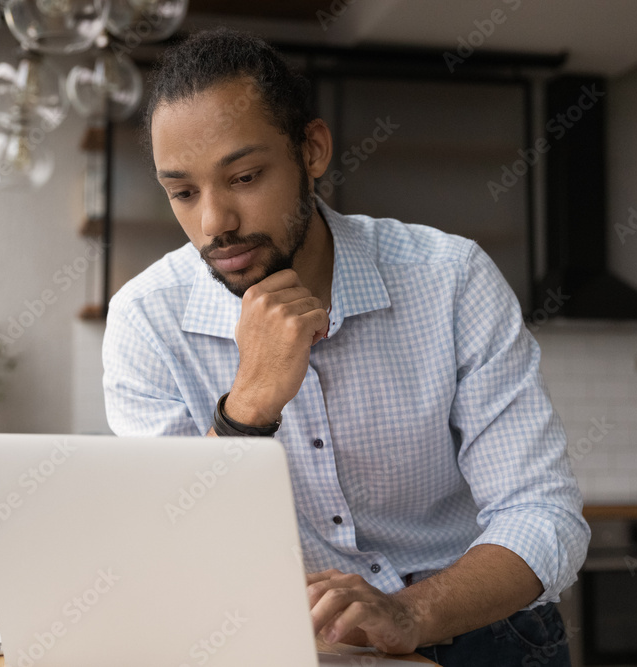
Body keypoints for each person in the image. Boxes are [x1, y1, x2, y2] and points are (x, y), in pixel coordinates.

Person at [102, 27, 589, 666]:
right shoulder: (145, 320)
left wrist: (412, 613)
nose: (214, 222)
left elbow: (543, 512)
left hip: (483, 631)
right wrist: (246, 406)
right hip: (294, 643)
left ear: (312, 150)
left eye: (244, 176)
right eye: (184, 193)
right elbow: (167, 556)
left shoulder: (451, 279)